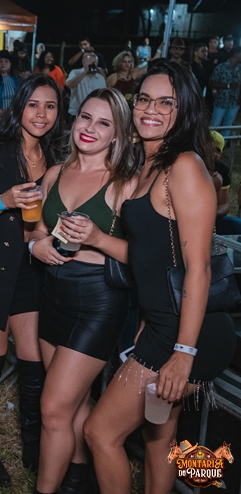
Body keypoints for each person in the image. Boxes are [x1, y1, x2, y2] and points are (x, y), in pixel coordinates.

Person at [83, 60, 237, 494]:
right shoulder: (150, 165)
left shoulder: (184, 166)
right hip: (164, 322)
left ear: (183, 108)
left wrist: (183, 352)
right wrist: (96, 238)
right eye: (144, 99)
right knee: (159, 435)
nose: (151, 109)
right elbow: (150, 260)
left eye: (166, 102)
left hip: (188, 331)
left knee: (99, 432)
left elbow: (198, 267)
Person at [29, 87, 137, 494]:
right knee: (73, 404)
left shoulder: (126, 184)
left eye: (104, 123)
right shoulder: (55, 174)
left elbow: (144, 257)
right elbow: (37, 229)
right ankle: (78, 478)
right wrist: (36, 245)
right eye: (85, 117)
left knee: (52, 408)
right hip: (53, 292)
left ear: (117, 134)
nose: (90, 128)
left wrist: (97, 238)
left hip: (98, 301)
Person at [0, 73, 63, 485]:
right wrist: (4, 201)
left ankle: (33, 442)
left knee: (33, 363)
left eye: (50, 106)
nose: (41, 114)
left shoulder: (57, 160)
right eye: (33, 104)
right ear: (18, 107)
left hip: (32, 271)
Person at [209, 131, 241, 234]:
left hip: (212, 219)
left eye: (216, 149)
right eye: (208, 147)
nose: (211, 152)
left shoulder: (223, 170)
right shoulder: (192, 166)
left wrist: (212, 214)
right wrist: (210, 186)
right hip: (189, 218)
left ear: (220, 154)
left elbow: (225, 204)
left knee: (236, 225)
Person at [209, 46, 241, 137]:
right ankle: (209, 144)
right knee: (215, 125)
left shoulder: (240, 68)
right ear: (236, 54)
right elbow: (212, 83)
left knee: (228, 126)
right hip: (221, 101)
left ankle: (223, 145)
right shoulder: (221, 67)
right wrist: (228, 86)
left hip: (234, 103)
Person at [66, 52, 106, 123]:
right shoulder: (75, 72)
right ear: (83, 62)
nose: (92, 64)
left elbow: (102, 95)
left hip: (93, 114)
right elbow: (69, 85)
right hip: (76, 113)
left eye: (94, 62)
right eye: (89, 62)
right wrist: (84, 72)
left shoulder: (100, 78)